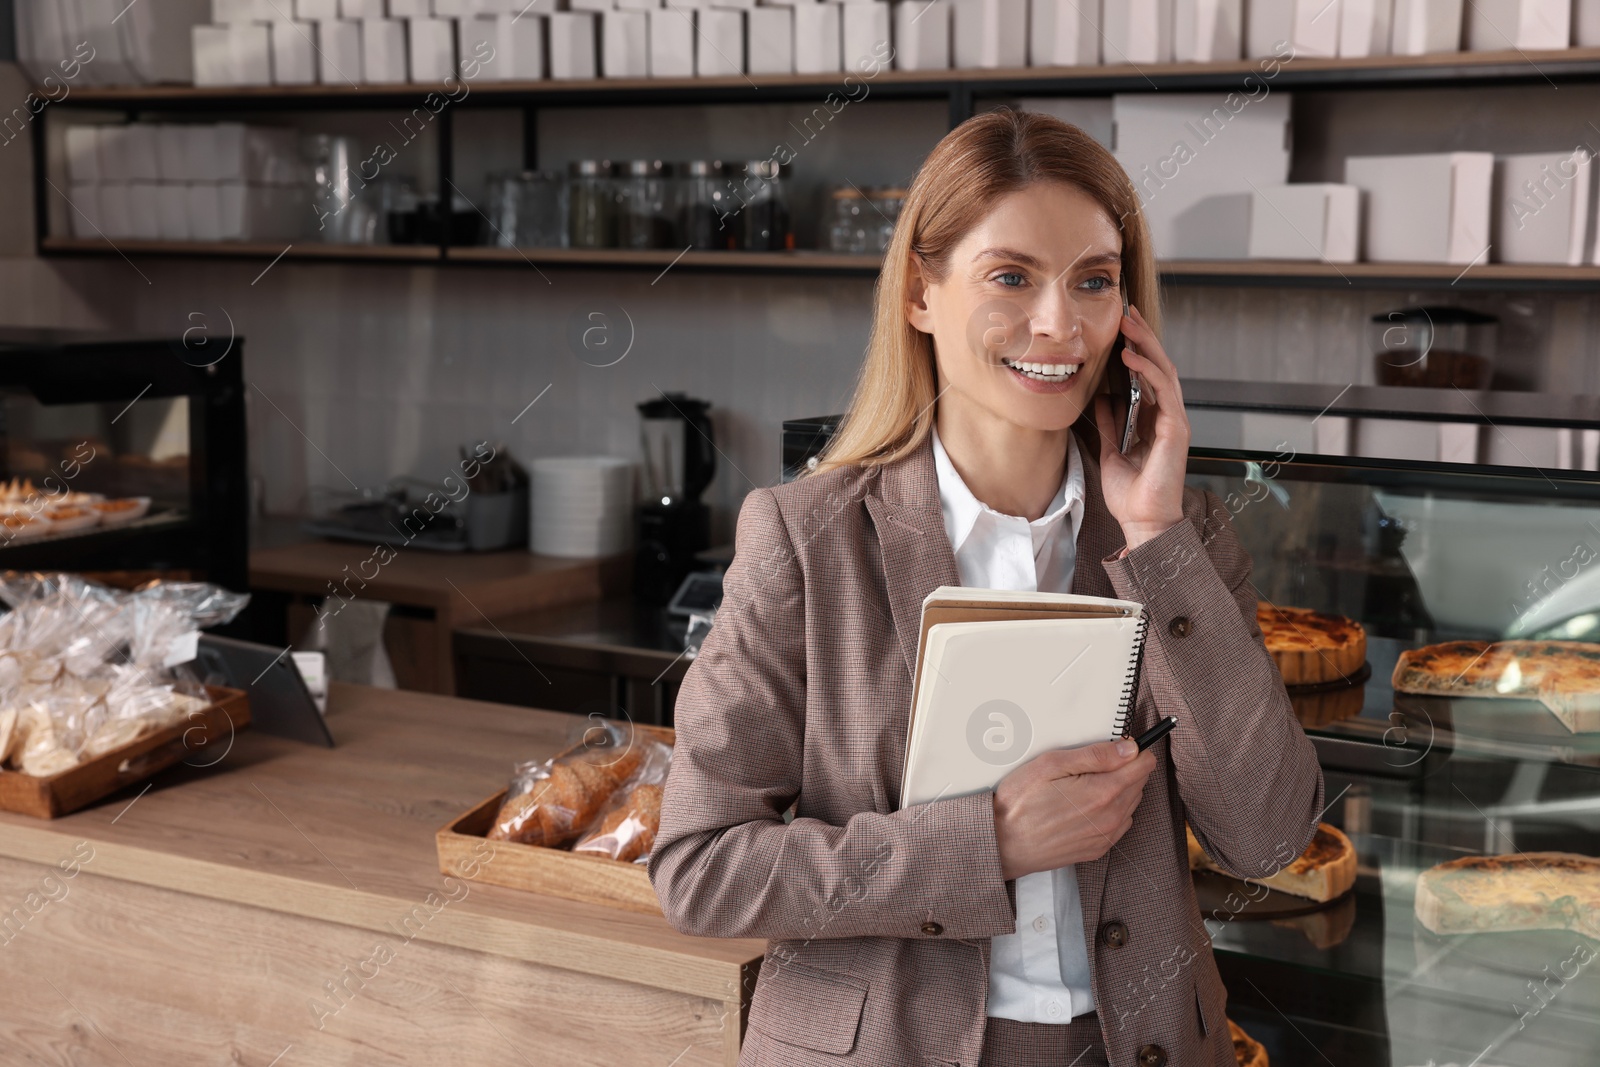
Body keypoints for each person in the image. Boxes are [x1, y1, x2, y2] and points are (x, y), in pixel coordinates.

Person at [649, 108, 1324, 1067]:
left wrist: (1155, 536)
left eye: (1094, 280)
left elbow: (1267, 835)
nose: (1060, 324)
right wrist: (987, 842)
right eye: (1010, 276)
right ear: (921, 292)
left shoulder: (1185, 535)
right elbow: (700, 870)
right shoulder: (807, 538)